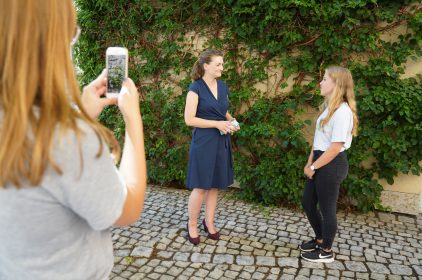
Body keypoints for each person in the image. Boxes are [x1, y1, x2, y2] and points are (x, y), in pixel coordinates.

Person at [0, 0, 147, 279]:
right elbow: (127, 208)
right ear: (51, 41)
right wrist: (133, 120)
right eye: (72, 31)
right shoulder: (66, 138)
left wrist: (78, 113)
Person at [300, 66, 359, 263]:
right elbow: (318, 140)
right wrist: (310, 163)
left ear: (336, 84)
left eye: (324, 79)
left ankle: (326, 251)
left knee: (327, 209)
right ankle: (319, 239)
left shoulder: (343, 112)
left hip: (331, 164)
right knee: (308, 202)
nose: (320, 82)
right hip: (319, 160)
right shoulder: (329, 108)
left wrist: (314, 167)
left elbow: (335, 148)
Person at [184, 49, 240, 245]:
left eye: (222, 64)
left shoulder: (223, 86)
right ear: (206, 66)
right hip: (204, 141)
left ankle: (209, 223)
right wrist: (217, 124)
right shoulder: (195, 88)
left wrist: (231, 120)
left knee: (215, 185)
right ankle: (191, 225)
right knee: (200, 186)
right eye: (218, 64)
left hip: (221, 140)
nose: (222, 68)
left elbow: (221, 110)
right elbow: (189, 119)